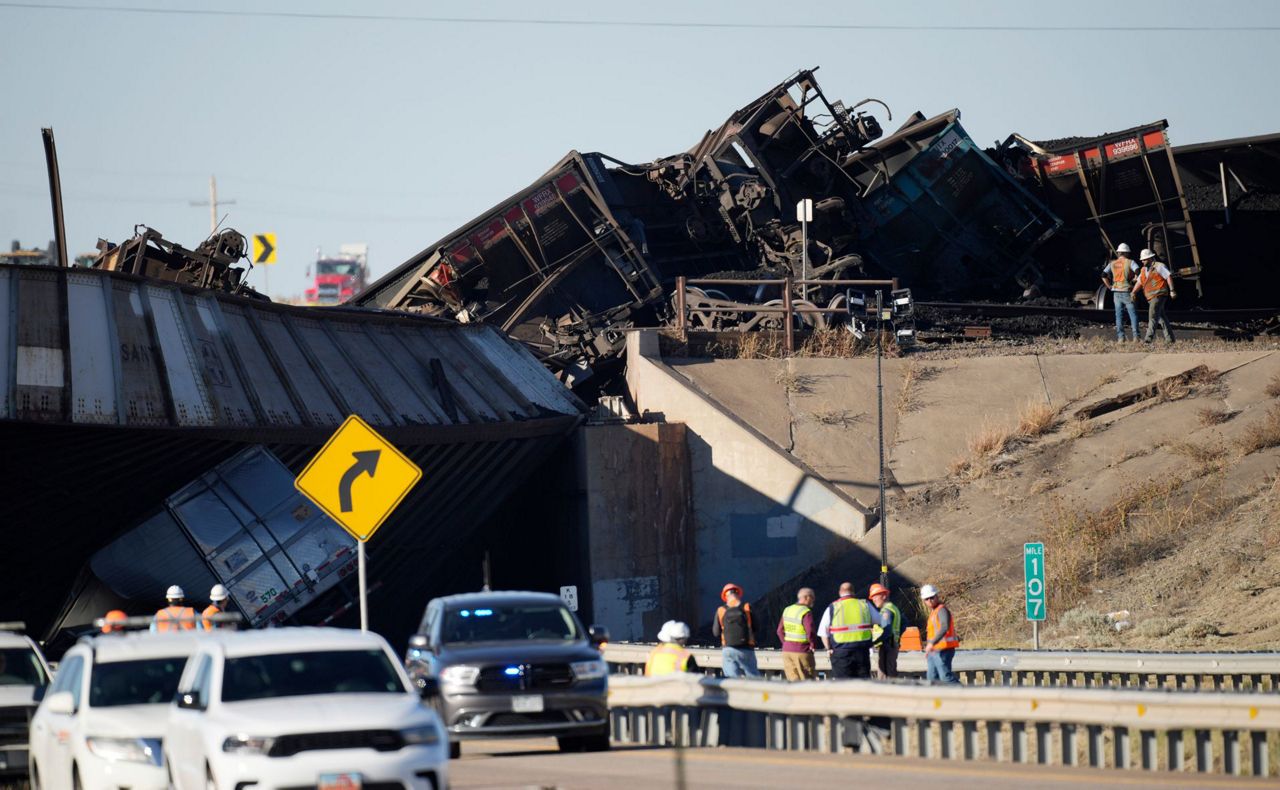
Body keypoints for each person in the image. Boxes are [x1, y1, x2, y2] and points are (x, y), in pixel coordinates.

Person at [817, 582, 874, 679]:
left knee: (843, 685)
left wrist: (829, 648)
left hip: (841, 654)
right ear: (853, 592)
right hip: (861, 652)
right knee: (862, 685)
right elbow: (881, 621)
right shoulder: (864, 605)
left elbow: (823, 633)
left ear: (840, 592)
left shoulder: (832, 607)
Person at [712, 583, 760, 678]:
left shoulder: (721, 610)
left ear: (725, 596)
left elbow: (716, 633)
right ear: (738, 594)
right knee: (754, 679)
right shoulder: (747, 607)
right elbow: (757, 627)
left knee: (731, 681)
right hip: (747, 648)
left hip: (728, 649)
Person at [1131, 248, 1177, 343]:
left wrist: (1172, 290)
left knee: (1152, 316)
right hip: (1150, 297)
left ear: (1151, 258)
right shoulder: (1143, 270)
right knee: (1161, 317)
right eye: (1142, 260)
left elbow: (1168, 276)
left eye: (1144, 259)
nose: (1142, 261)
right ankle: (1170, 339)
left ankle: (1148, 339)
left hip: (1159, 294)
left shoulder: (1159, 266)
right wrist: (1133, 292)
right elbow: (1139, 282)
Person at [776, 587, 819, 681]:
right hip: (802, 651)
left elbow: (779, 631)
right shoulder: (806, 612)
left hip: (787, 651)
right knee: (807, 681)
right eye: (813, 598)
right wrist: (812, 645)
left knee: (793, 681)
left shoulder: (787, 609)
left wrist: (786, 644)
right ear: (807, 597)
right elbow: (810, 631)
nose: (813, 601)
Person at [921, 584, 960, 684]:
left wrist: (931, 643)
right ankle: (937, 699)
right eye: (927, 599)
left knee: (945, 677)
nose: (930, 600)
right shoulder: (933, 613)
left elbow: (944, 627)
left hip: (944, 650)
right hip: (934, 650)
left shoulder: (941, 610)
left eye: (932, 597)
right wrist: (929, 648)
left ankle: (964, 695)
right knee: (932, 678)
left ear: (937, 596)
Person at [1102, 243, 1140, 341]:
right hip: (1127, 291)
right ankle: (1136, 337)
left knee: (1119, 315)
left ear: (1118, 253)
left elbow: (1103, 275)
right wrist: (1134, 280)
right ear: (1127, 253)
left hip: (1116, 292)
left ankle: (1121, 338)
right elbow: (1138, 272)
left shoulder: (1112, 263)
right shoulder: (1130, 262)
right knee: (1133, 314)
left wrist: (1109, 286)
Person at [868, 583, 902, 679]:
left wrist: (873, 642)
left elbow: (887, 631)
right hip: (892, 644)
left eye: (875, 596)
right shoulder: (893, 608)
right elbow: (903, 624)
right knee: (890, 673)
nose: (873, 600)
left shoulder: (886, 611)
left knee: (884, 675)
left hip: (887, 645)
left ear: (884, 596)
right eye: (872, 597)